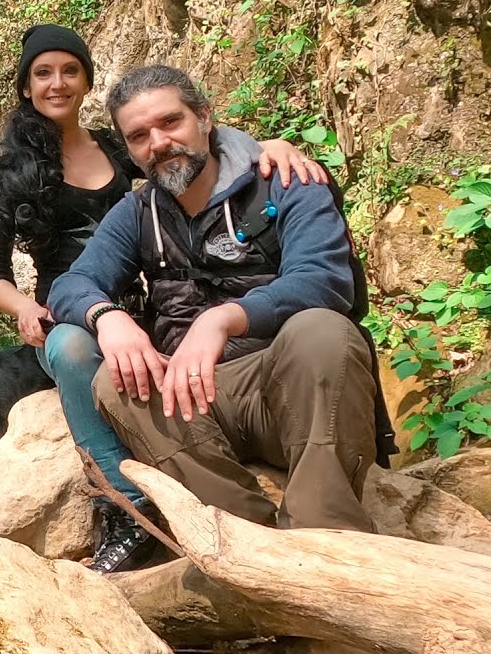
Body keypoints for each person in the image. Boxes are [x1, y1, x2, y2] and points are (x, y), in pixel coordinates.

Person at [0, 25, 325, 573]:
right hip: (66, 309)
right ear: (25, 87)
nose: (58, 83)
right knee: (72, 348)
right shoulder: (11, 172)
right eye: (42, 73)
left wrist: (264, 148)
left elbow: (185, 149)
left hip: (143, 301)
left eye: (70, 70)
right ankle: (125, 503)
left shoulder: (121, 144)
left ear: (87, 80)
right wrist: (25, 308)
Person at [48, 64, 391, 534]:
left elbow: (325, 280)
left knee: (323, 330)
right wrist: (107, 317)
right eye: (139, 136)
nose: (159, 143)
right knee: (115, 379)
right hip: (195, 407)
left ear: (205, 118)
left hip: (288, 387)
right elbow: (70, 285)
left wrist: (223, 319)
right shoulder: (138, 211)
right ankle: (239, 533)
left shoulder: (287, 182)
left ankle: (322, 531)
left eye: (171, 122)